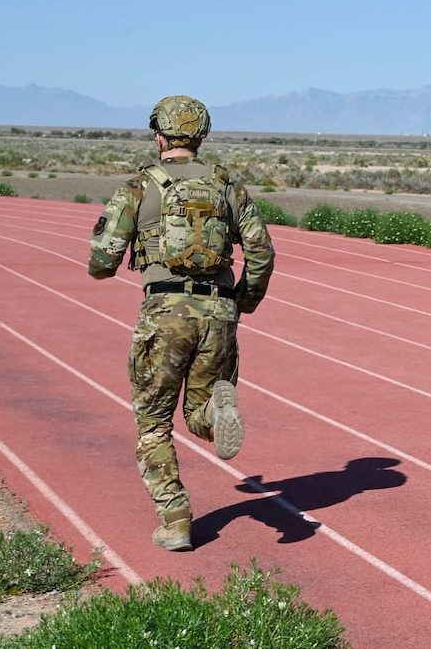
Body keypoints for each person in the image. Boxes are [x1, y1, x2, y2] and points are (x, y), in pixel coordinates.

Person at [88, 95, 275, 551]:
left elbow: (101, 261)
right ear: (201, 135)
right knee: (195, 412)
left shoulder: (139, 187)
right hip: (219, 314)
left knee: (153, 423)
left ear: (159, 134)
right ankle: (215, 412)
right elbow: (262, 252)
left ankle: (175, 520)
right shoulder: (230, 187)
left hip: (165, 314)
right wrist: (241, 303)